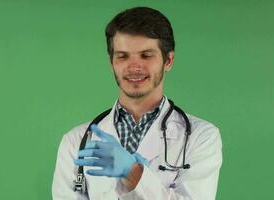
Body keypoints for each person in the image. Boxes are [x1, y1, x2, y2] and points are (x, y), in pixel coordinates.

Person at [52, 7, 222, 200]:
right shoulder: (76, 142)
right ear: (112, 63)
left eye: (146, 55)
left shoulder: (201, 137)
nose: (134, 67)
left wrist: (133, 173)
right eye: (122, 56)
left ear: (168, 61)